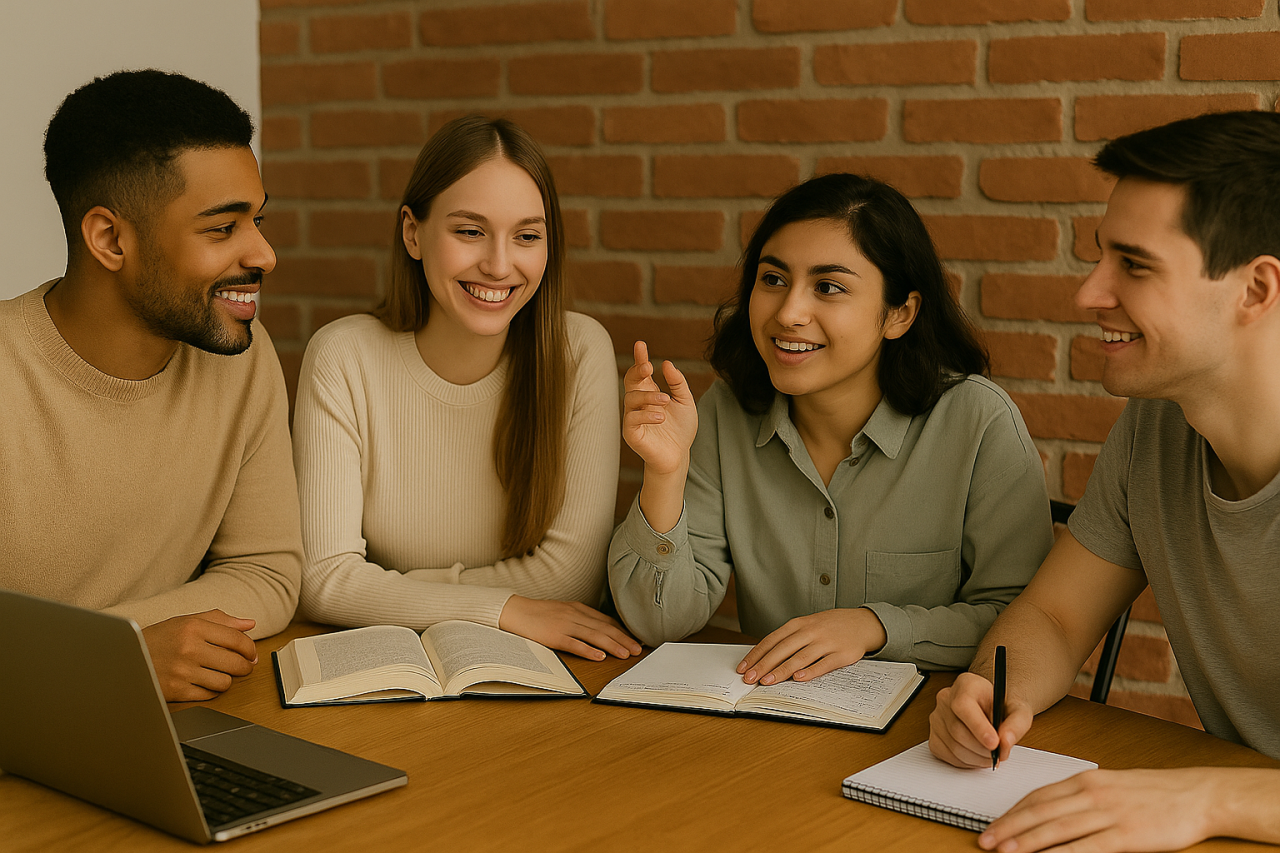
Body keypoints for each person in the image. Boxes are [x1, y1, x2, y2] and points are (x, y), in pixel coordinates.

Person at [928, 110, 1280, 852]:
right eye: (1100, 258)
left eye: (1135, 264)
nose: (1089, 294)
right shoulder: (1157, 428)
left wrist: (1208, 796)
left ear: (1255, 289)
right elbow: (1054, 618)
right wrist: (997, 691)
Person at [609, 173, 1053, 684]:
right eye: (772, 279)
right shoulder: (724, 412)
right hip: (771, 725)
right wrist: (665, 474)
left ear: (900, 314)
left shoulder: (978, 422)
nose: (789, 312)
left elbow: (1023, 625)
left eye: (828, 287)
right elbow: (657, 620)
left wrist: (875, 627)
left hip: (934, 734)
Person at [0, 70, 301, 701]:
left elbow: (267, 571)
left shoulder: (241, 356)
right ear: (110, 238)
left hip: (144, 729)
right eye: (223, 228)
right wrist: (119, 659)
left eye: (257, 220)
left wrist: (122, 648)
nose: (265, 254)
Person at [293, 116, 639, 662]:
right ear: (413, 232)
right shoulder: (343, 355)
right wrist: (507, 608)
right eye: (470, 231)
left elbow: (570, 580)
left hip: (533, 675)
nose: (499, 265)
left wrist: (392, 589)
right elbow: (322, 581)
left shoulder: (578, 351)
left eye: (527, 236)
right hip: (388, 671)